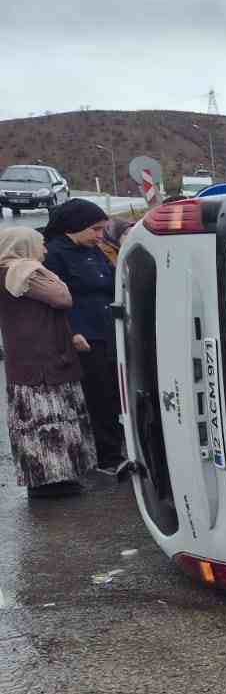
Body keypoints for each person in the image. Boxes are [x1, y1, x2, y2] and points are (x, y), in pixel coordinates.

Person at [0, 226, 99, 497]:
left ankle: (56, 478)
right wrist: (53, 277)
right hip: (40, 357)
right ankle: (50, 482)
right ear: (24, 246)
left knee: (50, 417)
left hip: (36, 354)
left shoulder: (20, 271)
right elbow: (62, 297)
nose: (45, 250)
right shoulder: (22, 272)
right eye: (40, 244)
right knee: (46, 417)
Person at [43, 199, 123, 469]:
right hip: (84, 336)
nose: (100, 235)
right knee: (98, 396)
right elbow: (54, 302)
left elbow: (112, 283)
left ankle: (119, 445)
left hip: (109, 330)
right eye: (95, 229)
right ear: (75, 227)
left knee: (115, 391)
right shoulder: (54, 255)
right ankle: (107, 456)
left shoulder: (95, 251)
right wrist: (73, 331)